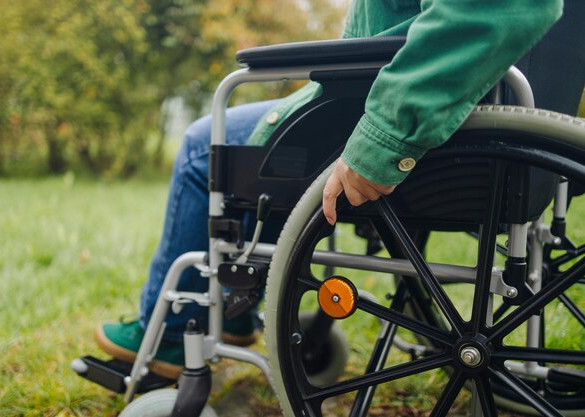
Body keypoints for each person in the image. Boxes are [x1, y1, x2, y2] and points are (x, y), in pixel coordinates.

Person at [94, 0, 580, 380]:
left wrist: (383, 139)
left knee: (204, 143)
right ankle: (237, 316)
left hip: (395, 106)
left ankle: (174, 337)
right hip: (492, 122)